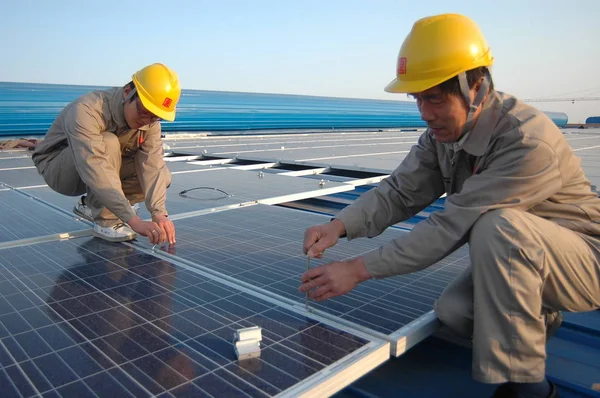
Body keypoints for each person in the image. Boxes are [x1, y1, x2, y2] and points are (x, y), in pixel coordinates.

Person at [300, 13, 600, 398]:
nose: (425, 113)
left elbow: (451, 225)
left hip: (585, 258)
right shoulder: (442, 135)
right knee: (457, 313)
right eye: (419, 99)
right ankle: (536, 318)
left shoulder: (526, 140)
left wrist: (357, 270)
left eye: (436, 98)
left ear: (476, 86)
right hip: (528, 258)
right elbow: (400, 190)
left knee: (499, 225)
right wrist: (337, 225)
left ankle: (531, 389)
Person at [32, 63, 179, 244]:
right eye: (145, 111)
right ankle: (107, 222)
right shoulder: (87, 110)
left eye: (156, 116)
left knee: (162, 175)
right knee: (108, 142)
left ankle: (91, 205)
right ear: (127, 92)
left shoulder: (149, 123)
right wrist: (134, 221)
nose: (146, 121)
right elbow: (95, 166)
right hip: (60, 171)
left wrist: (159, 213)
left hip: (97, 169)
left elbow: (153, 166)